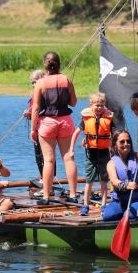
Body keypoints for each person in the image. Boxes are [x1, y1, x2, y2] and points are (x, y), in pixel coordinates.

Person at [30, 51, 78, 204]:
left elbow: (36, 109)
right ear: (59, 64)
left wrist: (33, 129)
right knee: (68, 158)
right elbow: (74, 102)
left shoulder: (40, 83)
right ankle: (73, 194)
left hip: (47, 123)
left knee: (49, 160)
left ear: (45, 65)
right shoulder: (67, 80)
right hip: (65, 121)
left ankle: (45, 196)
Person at [70, 92, 115, 216]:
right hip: (91, 153)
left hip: (105, 152)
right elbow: (76, 133)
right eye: (96, 105)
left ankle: (104, 204)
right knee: (89, 181)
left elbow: (115, 135)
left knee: (104, 181)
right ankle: (85, 205)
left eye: (101, 105)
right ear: (91, 105)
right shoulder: (86, 119)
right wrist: (71, 149)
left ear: (104, 106)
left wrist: (115, 151)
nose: (99, 108)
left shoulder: (108, 119)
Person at [102, 130, 138, 222]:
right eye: (122, 142)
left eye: (128, 141)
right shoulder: (111, 163)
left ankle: (129, 216)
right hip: (120, 201)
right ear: (115, 145)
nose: (126, 144)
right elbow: (114, 181)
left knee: (128, 216)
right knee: (107, 216)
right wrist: (126, 185)